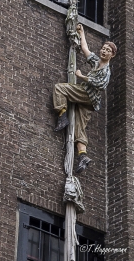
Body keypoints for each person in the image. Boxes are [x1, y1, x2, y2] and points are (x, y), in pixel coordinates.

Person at [53, 24, 117, 173]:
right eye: (104, 48)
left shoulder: (106, 71)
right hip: (89, 103)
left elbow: (101, 85)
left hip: (87, 95)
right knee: (79, 127)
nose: (104, 51)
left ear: (112, 55)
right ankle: (83, 156)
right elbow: (85, 49)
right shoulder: (96, 61)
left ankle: (62, 116)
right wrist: (82, 32)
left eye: (108, 50)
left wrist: (82, 77)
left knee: (60, 88)